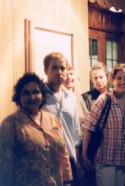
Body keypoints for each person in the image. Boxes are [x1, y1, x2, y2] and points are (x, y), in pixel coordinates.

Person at [0, 73, 72, 186]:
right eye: (26, 93)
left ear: (42, 94)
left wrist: (67, 181)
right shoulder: (10, 124)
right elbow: (5, 164)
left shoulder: (53, 119)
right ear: (19, 97)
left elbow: (63, 153)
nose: (32, 97)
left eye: (36, 92)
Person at [81, 64, 125, 186]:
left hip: (122, 160)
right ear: (112, 80)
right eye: (119, 78)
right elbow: (88, 128)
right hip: (105, 161)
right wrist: (84, 155)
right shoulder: (104, 99)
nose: (122, 81)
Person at [42, 52, 82, 185]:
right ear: (46, 70)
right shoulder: (38, 97)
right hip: (45, 159)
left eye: (62, 68)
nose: (59, 72)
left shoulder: (71, 97)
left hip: (69, 160)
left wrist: (77, 161)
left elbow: (76, 134)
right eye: (54, 68)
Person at [63, 64, 89, 130]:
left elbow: (88, 121)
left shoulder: (79, 97)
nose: (69, 77)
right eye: (66, 75)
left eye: (71, 74)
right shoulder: (58, 98)